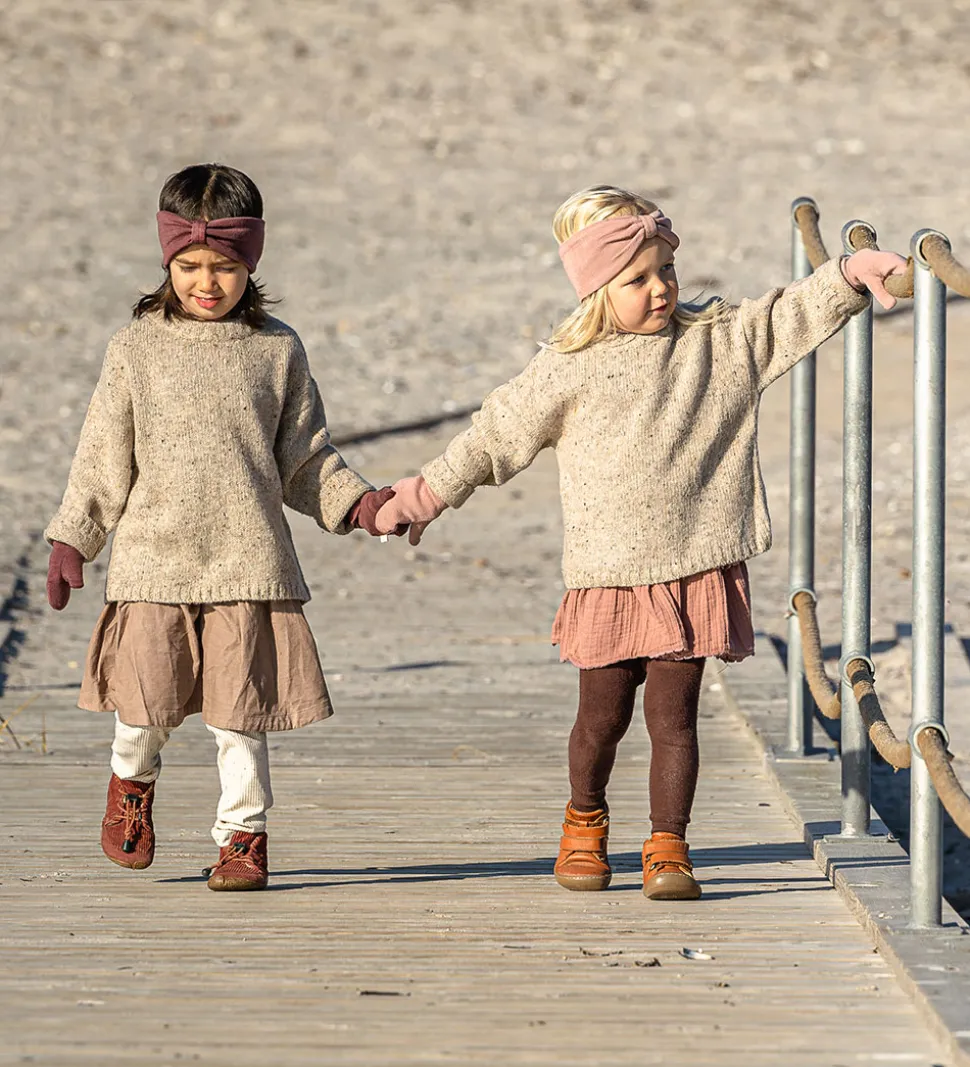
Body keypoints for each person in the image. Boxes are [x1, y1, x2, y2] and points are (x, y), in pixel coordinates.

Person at [372, 184, 907, 900]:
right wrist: (425, 494)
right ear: (596, 290)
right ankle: (584, 823)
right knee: (601, 717)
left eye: (667, 272)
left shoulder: (716, 343)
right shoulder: (568, 366)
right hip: (609, 577)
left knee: (673, 720)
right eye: (636, 280)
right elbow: (494, 436)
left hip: (692, 569)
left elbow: (787, 315)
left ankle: (668, 845)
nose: (659, 290)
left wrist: (846, 276)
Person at [45, 163, 393, 891]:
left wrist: (358, 502)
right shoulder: (135, 348)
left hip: (246, 561)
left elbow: (304, 459)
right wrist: (74, 537)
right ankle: (130, 789)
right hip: (153, 564)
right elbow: (103, 456)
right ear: (167, 260)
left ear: (252, 262)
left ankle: (244, 837)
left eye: (225, 267)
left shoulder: (276, 350)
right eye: (190, 265)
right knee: (144, 707)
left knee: (242, 718)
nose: (207, 282)